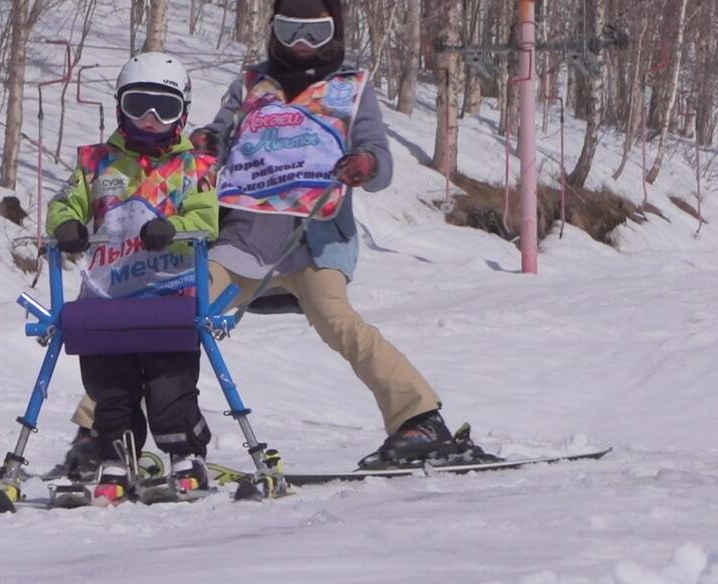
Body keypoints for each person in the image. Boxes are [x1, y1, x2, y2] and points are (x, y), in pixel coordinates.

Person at [55, 0, 489, 477]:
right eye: (289, 30)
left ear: (336, 33)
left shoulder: (348, 87)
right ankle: (99, 431)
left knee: (337, 321)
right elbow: (216, 135)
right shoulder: (251, 83)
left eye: (315, 33)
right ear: (273, 31)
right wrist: (207, 143)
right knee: (168, 311)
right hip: (245, 238)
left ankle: (418, 418)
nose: (301, 45)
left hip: (313, 239)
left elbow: (378, 159)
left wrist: (364, 165)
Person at [45, 53, 221, 503]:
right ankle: (115, 457)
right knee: (110, 388)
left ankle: (184, 454)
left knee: (169, 385)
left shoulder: (194, 168)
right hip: (107, 297)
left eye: (162, 107)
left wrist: (175, 229)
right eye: (139, 103)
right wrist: (66, 225)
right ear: (120, 106)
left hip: (168, 294)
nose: (150, 117)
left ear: (182, 111)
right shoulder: (96, 164)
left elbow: (208, 220)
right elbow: (65, 203)